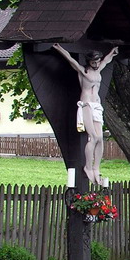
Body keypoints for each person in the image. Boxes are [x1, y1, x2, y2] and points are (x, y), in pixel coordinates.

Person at [52, 43, 119, 185]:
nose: (96, 64)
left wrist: (112, 52)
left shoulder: (98, 70)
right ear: (89, 61)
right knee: (93, 137)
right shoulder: (84, 72)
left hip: (97, 105)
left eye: (97, 61)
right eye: (93, 62)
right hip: (86, 104)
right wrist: (59, 48)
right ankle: (88, 167)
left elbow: (106, 61)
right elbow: (71, 60)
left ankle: (96, 167)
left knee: (100, 138)